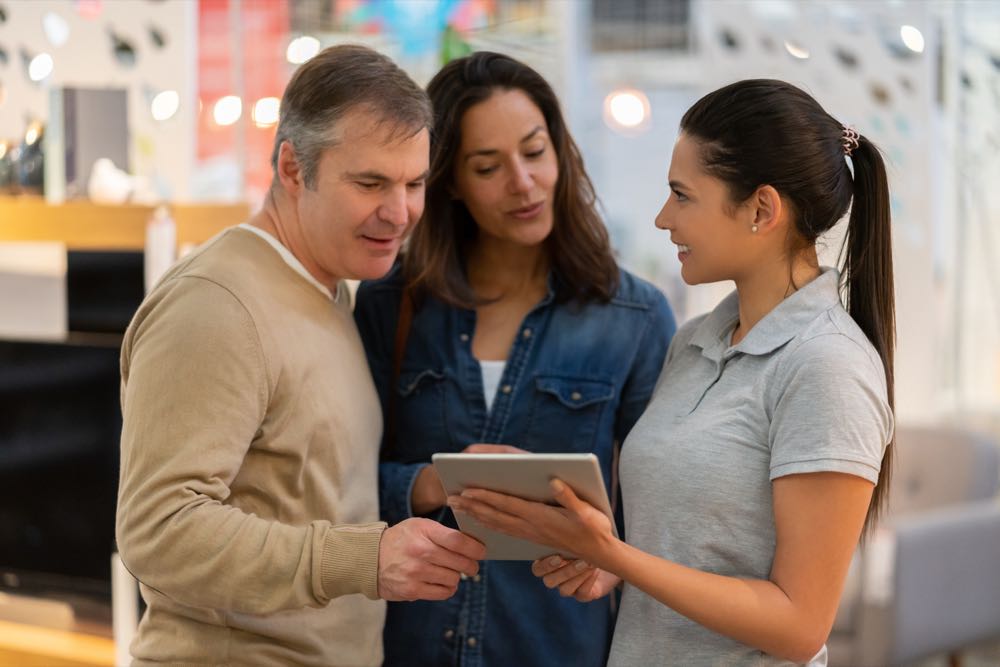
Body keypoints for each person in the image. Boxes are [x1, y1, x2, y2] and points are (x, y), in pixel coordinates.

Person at [448, 78, 895, 666]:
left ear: (762, 208)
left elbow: (799, 624)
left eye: (682, 196)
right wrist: (607, 561)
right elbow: (692, 554)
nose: (663, 218)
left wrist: (616, 556)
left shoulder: (828, 367)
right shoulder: (694, 341)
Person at [116, 45, 485, 667]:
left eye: (414, 183)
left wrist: (433, 483)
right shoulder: (216, 305)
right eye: (370, 183)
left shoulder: (329, 285)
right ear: (292, 168)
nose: (399, 214)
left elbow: (303, 487)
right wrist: (364, 559)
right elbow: (159, 530)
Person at [353, 51, 675, 667]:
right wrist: (428, 483)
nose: (523, 183)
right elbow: (337, 486)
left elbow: (655, 519)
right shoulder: (391, 306)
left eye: (534, 152)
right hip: (407, 647)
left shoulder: (633, 318)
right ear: (448, 180)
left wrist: (610, 563)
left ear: (559, 151)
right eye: (487, 166)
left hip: (556, 647)